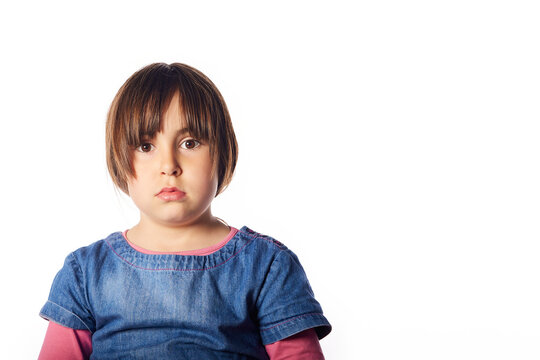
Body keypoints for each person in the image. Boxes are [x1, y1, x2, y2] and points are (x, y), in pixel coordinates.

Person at [38, 63, 331, 359]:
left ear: (222, 153)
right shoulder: (85, 274)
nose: (169, 165)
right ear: (119, 160)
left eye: (189, 143)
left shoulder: (267, 267)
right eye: (145, 146)